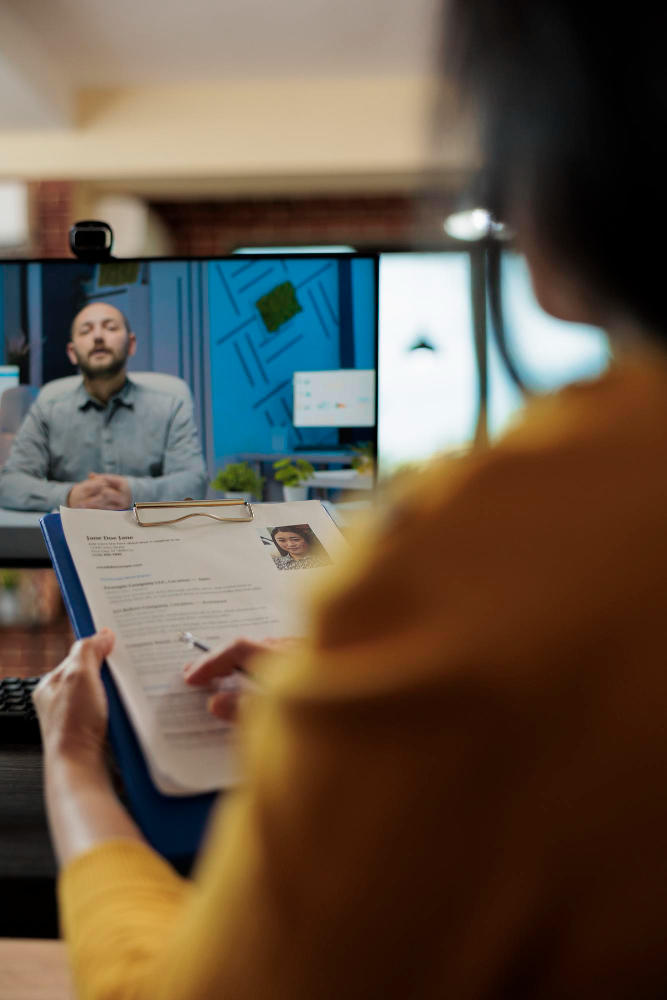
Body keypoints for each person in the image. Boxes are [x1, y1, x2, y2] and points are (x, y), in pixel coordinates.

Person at [33, 2, 667, 996]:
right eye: (91, 327)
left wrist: (71, 764)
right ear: (72, 346)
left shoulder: (496, 539)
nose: (104, 336)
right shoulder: (48, 412)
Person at [0, 301, 208, 510]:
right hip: (72, 536)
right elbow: (9, 483)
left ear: (131, 344)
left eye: (110, 328)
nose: (98, 337)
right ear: (72, 352)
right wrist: (69, 496)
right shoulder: (48, 408)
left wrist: (133, 493)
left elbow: (193, 482)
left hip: (149, 536)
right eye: (86, 331)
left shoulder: (170, 405)